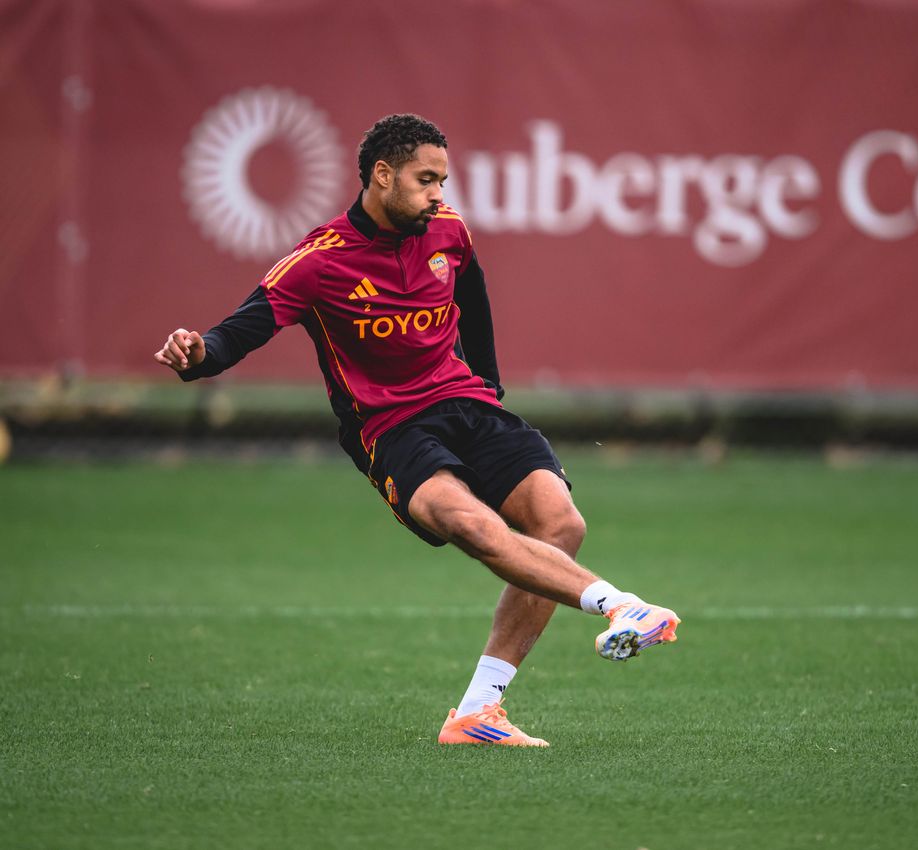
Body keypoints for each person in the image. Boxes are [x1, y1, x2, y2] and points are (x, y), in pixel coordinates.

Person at [154, 113, 680, 747]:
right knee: (471, 525)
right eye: (425, 180)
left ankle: (477, 713)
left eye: (442, 181)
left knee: (561, 524)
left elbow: (473, 300)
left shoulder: (449, 231)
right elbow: (241, 331)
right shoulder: (318, 262)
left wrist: (489, 387)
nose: (438, 194)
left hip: (466, 403)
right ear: (382, 176)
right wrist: (198, 354)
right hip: (390, 427)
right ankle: (621, 605)